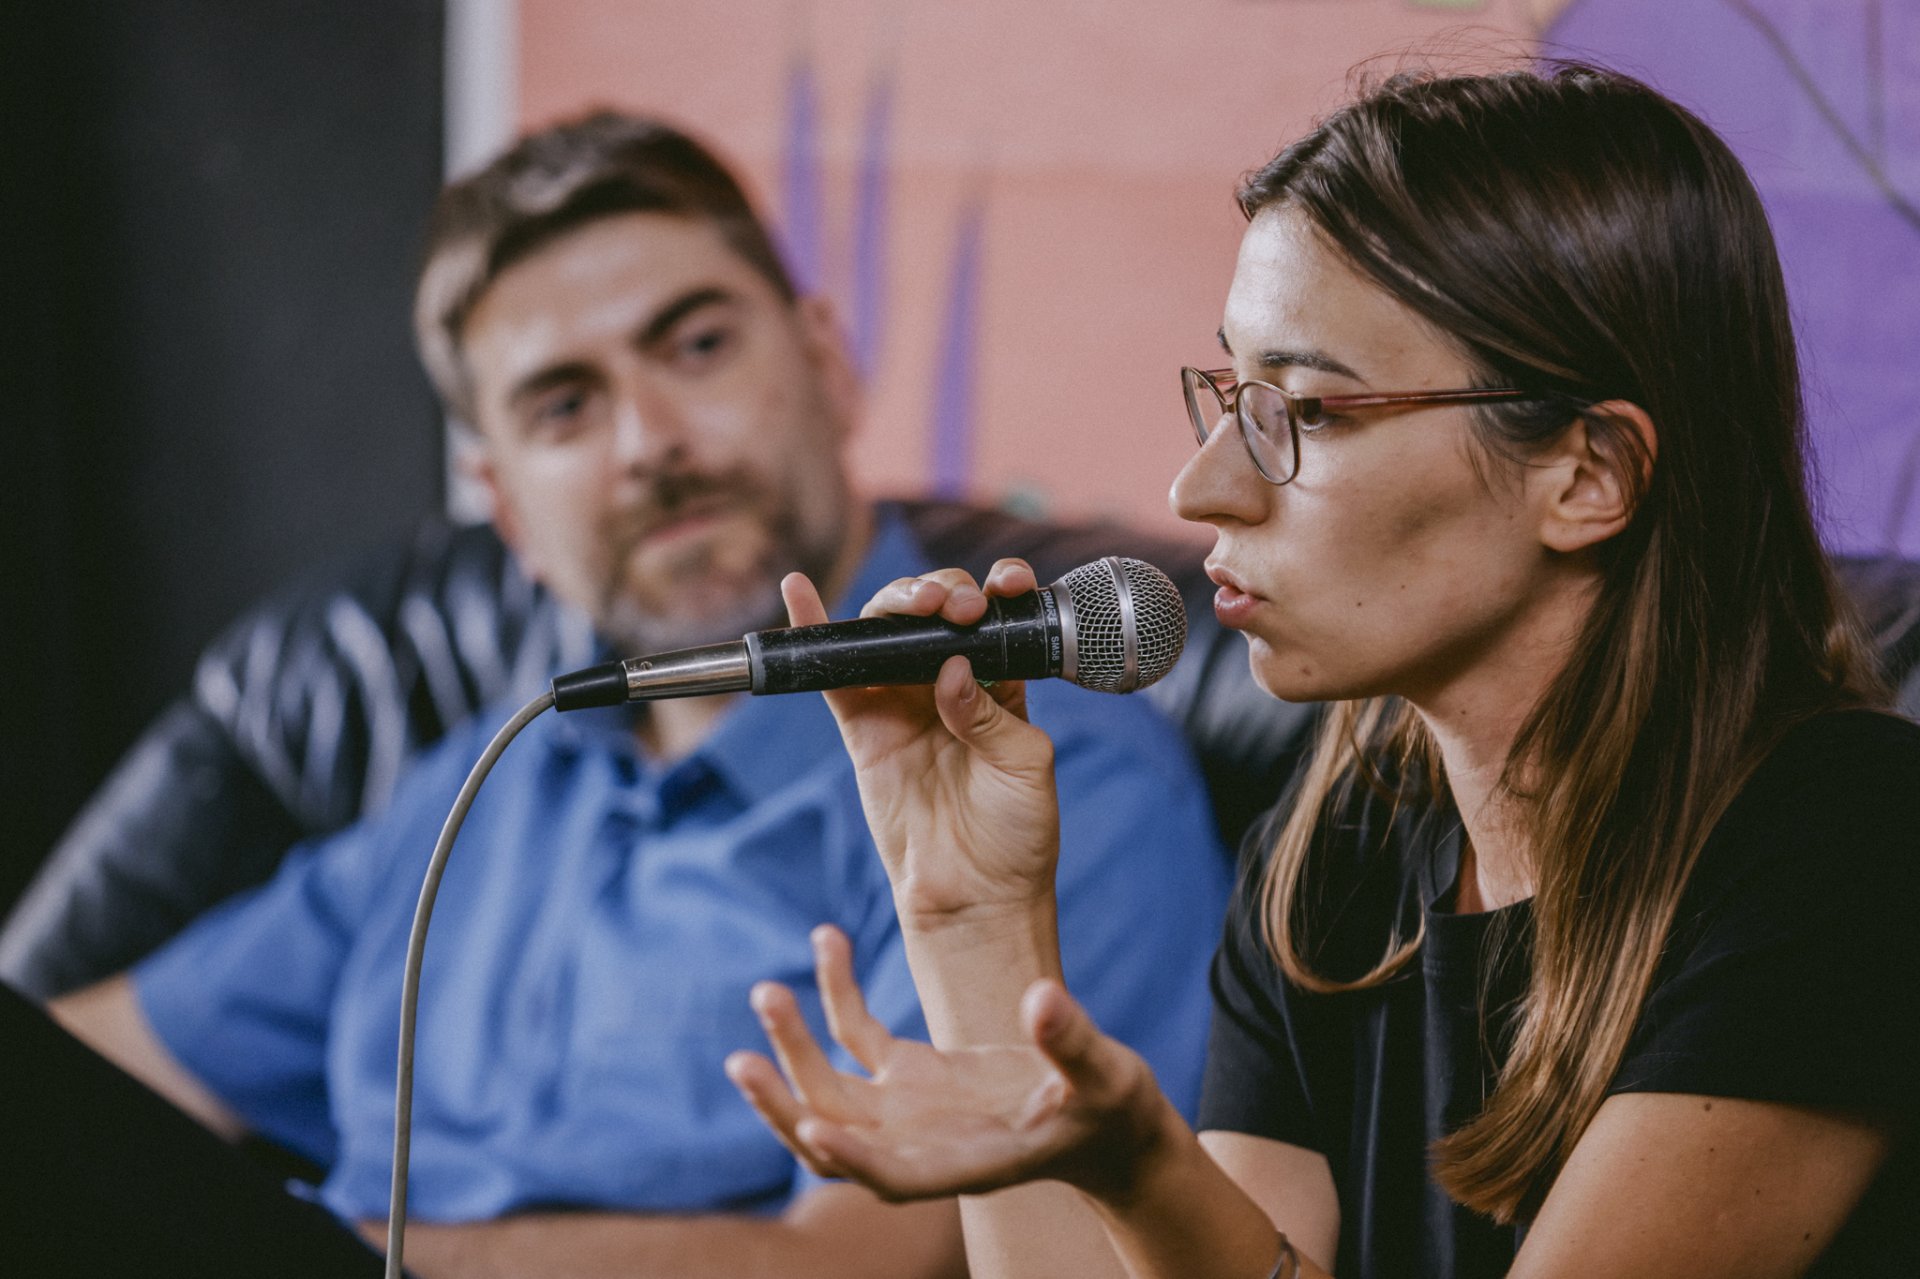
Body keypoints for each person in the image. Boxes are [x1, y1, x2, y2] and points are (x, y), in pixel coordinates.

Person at [726, 64, 1920, 1278]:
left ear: (1586, 475)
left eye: (1308, 412)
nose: (1201, 488)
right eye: (1231, 395)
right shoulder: (1341, 852)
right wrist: (974, 923)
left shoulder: (1853, 842)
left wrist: (1148, 1169)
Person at [41, 113, 1233, 1278]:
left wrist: (293, 1252)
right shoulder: (485, 777)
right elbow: (77, 1075)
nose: (648, 442)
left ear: (828, 364)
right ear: (508, 510)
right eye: (565, 406)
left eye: (697, 346)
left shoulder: (1028, 770)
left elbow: (868, 1264)